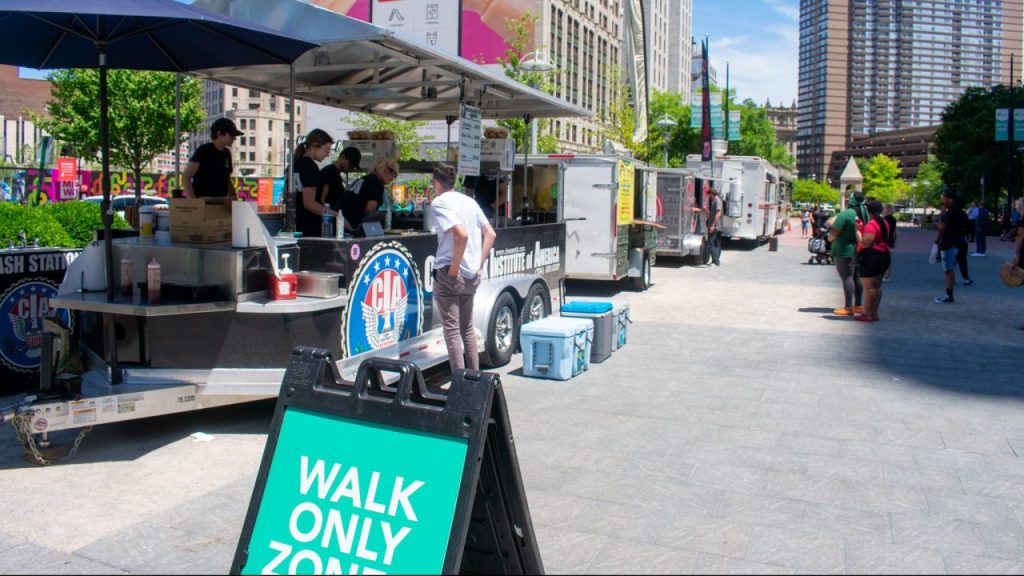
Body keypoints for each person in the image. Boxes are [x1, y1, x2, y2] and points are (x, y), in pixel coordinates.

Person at [430, 163, 497, 371]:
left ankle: (460, 383)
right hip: (471, 274)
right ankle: (474, 379)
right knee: (467, 328)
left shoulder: (439, 203)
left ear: (436, 182)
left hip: (452, 271)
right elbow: (491, 234)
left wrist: (453, 269)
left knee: (452, 331)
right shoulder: (470, 202)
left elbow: (461, 234)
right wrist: (478, 265)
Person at [828, 190, 868, 316]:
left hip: (844, 250)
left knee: (847, 277)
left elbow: (834, 233)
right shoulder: (865, 213)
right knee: (857, 277)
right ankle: (858, 305)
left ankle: (848, 307)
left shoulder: (845, 214)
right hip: (859, 249)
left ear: (849, 201)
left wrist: (829, 238)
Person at [291, 128, 336, 238]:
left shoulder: (295, 163)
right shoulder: (309, 167)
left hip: (296, 224)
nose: (327, 154)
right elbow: (309, 203)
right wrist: (335, 214)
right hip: (310, 227)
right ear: (315, 146)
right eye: (326, 150)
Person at [334, 157, 398, 233]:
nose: (393, 177)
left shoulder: (365, 179)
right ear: (382, 167)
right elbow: (370, 213)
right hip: (348, 228)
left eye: (395, 174)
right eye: (391, 171)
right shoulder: (376, 184)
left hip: (336, 223)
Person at [183, 117, 242, 198]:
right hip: (204, 203)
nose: (234, 138)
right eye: (232, 135)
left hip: (221, 203)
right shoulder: (203, 151)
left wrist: (234, 199)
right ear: (219, 133)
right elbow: (186, 176)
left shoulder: (227, 153)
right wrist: (194, 202)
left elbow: (227, 179)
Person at [854, 199, 891, 322]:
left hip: (872, 257)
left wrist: (857, 230)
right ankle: (874, 313)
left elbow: (865, 243)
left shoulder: (872, 224)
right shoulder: (885, 223)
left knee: (869, 287)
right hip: (884, 255)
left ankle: (868, 314)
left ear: (868, 210)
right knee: (876, 286)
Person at [934, 188, 966, 303]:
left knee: (948, 270)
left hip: (948, 242)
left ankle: (949, 295)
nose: (942, 199)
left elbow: (942, 227)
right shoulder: (960, 212)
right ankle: (949, 294)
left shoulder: (950, 212)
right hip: (958, 241)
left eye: (944, 197)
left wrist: (937, 224)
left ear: (950, 199)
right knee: (950, 268)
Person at [691, 186, 722, 266]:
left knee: (710, 243)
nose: (709, 197)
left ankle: (716, 261)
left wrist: (713, 225)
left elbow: (718, 213)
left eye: (709, 195)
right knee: (715, 243)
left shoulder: (717, 201)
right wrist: (701, 210)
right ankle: (715, 260)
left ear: (712, 193)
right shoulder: (715, 201)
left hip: (715, 226)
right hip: (713, 226)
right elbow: (710, 213)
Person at [882, 203, 897, 282]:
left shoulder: (886, 219)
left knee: (884, 257)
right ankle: (887, 275)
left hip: (885, 239)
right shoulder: (893, 219)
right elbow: (894, 231)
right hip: (889, 239)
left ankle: (886, 275)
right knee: (886, 257)